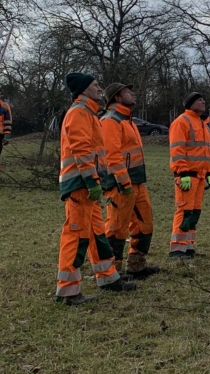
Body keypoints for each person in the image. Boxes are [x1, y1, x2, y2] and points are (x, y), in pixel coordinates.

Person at [54, 72, 137, 305]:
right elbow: (81, 150)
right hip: (80, 185)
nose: (100, 89)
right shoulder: (79, 113)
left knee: (96, 234)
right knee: (77, 235)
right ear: (83, 90)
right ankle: (67, 292)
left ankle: (108, 278)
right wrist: (91, 181)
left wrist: (95, 181)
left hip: (87, 185)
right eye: (95, 85)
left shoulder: (89, 114)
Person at [100, 83, 159, 279]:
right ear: (117, 97)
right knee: (116, 227)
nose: (132, 93)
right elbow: (112, 156)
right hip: (120, 185)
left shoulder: (128, 121)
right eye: (127, 91)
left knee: (145, 224)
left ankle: (136, 265)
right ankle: (112, 272)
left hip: (137, 183)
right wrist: (124, 183)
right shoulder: (110, 121)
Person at [168, 92, 210, 259]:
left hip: (200, 176)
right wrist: (182, 173)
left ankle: (188, 247)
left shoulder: (203, 124)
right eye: (199, 100)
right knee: (184, 211)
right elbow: (177, 150)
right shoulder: (182, 122)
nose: (203, 102)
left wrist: (209, 171)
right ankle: (177, 249)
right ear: (191, 103)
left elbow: (205, 152)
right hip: (188, 176)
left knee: (194, 212)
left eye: (203, 99)